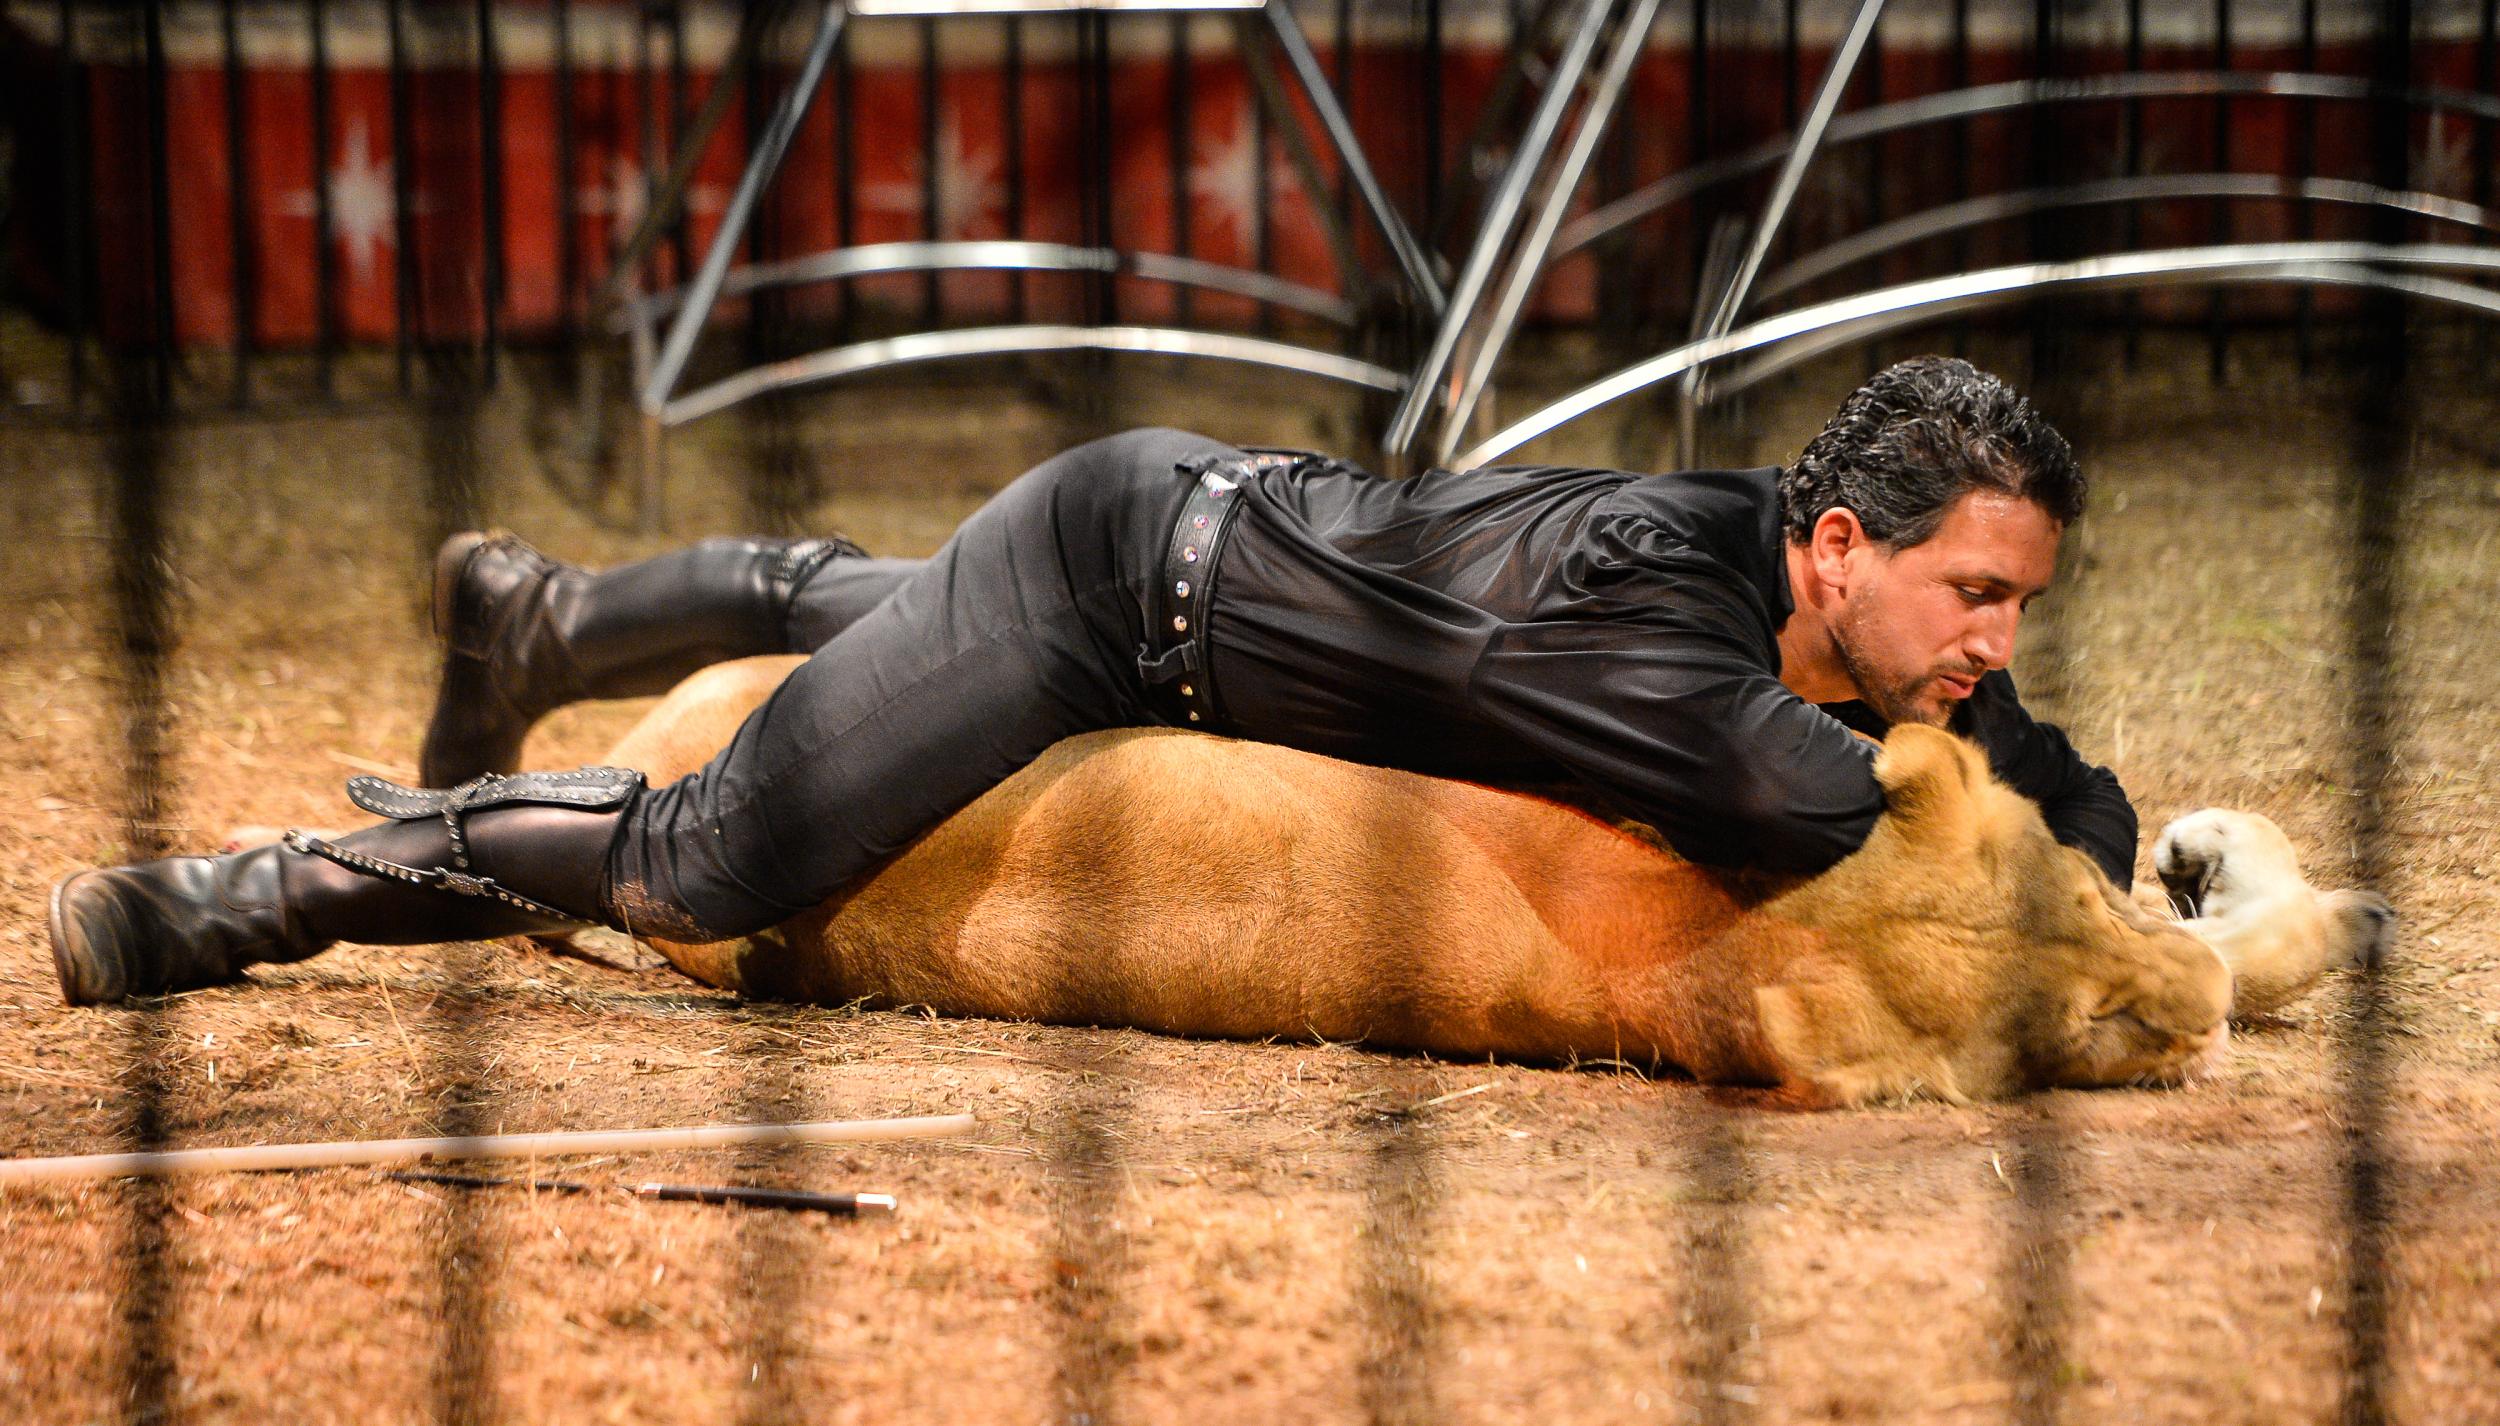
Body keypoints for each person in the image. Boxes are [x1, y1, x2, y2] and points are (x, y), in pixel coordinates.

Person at [48, 355, 2131, 1005]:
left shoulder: (1797, 567)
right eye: (1970, 592)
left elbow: (2005, 756)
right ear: (1835, 544)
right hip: (1107, 588)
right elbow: (1796, 798)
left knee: (827, 597)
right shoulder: (1659, 613)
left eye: (2014, 603)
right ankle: (271, 891)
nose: (1988, 643)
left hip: (1187, 569)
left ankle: (529, 621)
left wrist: (2107, 846)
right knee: (709, 861)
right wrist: (2000, 847)